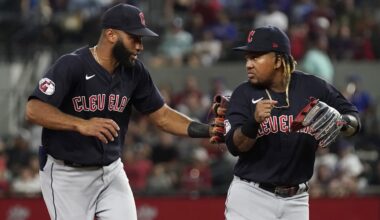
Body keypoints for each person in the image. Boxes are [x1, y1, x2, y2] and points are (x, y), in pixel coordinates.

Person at [25, 4, 211, 220]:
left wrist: (206, 130)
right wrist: (81, 124)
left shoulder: (135, 71)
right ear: (111, 34)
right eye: (134, 38)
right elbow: (34, 109)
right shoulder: (72, 64)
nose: (140, 46)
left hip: (111, 170)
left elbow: (162, 116)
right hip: (67, 174)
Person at [223, 26, 360, 220]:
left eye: (256, 57)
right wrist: (253, 122)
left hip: (296, 199)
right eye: (247, 58)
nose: (248, 64)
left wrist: (342, 121)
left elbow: (354, 119)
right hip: (252, 195)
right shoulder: (243, 94)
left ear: (279, 60)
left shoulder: (313, 86)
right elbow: (235, 146)